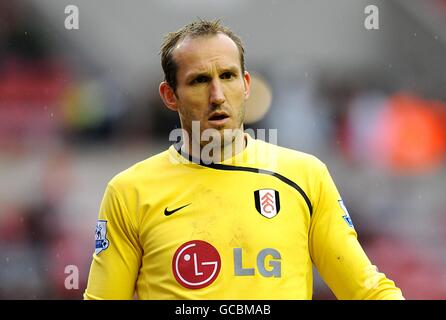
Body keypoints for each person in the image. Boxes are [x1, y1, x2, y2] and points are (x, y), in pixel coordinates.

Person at [84, 19, 404, 300]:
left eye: (227, 76)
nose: (217, 95)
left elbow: (366, 291)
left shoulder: (306, 176)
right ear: (170, 96)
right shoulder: (129, 192)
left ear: (246, 85)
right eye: (199, 80)